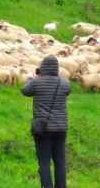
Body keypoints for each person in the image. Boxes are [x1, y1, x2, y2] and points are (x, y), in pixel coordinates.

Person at [21, 55, 71, 188]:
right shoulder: (64, 83)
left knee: (44, 161)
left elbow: (24, 90)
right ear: (57, 69)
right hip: (61, 129)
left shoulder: (36, 82)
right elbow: (68, 92)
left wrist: (33, 78)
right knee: (60, 161)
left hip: (43, 129)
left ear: (42, 68)